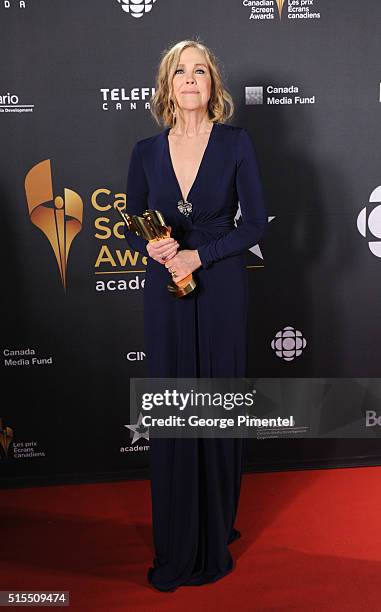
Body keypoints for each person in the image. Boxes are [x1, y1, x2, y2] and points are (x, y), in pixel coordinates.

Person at [124, 39, 267, 592]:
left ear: (212, 85)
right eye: (179, 71)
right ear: (168, 85)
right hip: (167, 293)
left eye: (199, 70)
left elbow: (255, 224)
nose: (189, 79)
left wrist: (199, 254)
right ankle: (179, 538)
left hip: (223, 288)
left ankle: (214, 529)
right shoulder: (144, 151)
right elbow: (137, 219)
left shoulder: (235, 142)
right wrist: (156, 249)